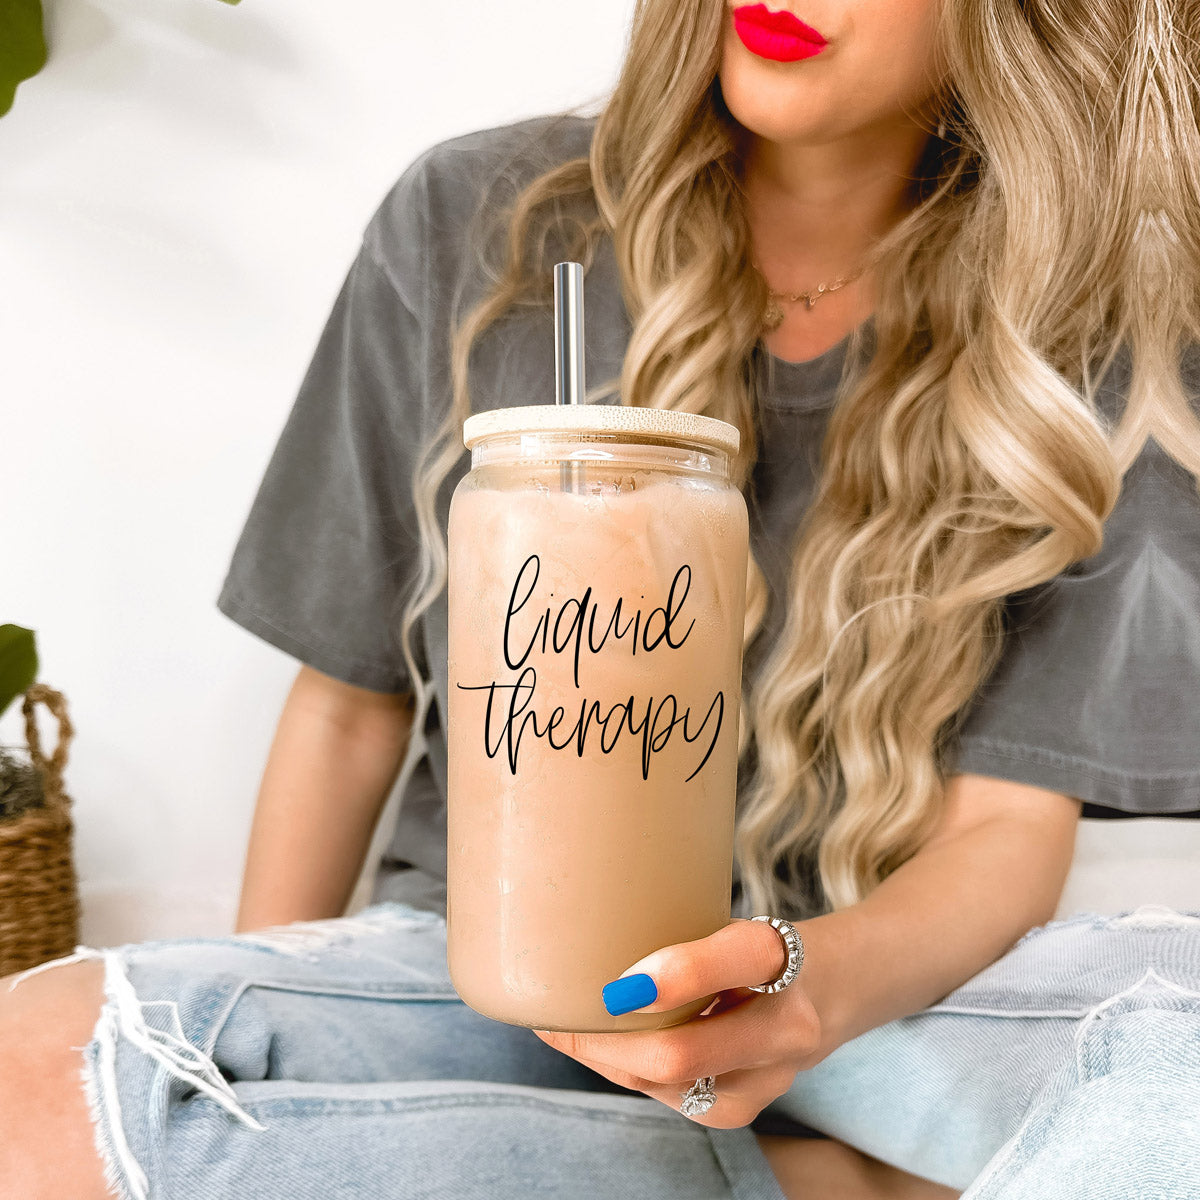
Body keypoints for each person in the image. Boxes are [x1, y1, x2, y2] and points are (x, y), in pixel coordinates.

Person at [4, 1, 1200, 1197]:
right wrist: (275, 1008)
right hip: (487, 962)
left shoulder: (1084, 319)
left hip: (867, 988)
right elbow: (347, 711)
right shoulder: (476, 220)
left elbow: (1004, 829)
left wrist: (804, 995)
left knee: (1170, 1088)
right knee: (32, 1074)